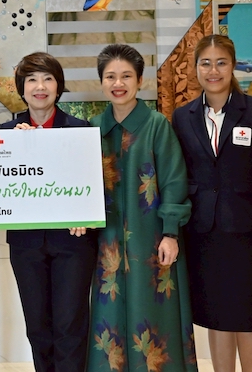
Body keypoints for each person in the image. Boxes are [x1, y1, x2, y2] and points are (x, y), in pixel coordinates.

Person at [172, 35, 252, 372]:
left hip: (249, 234)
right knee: (217, 318)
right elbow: (179, 175)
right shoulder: (183, 117)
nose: (213, 70)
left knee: (250, 317)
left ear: (232, 65)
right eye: (205, 63)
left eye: (221, 63)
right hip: (203, 234)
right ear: (195, 68)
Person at [87, 44, 197, 372]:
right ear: (101, 82)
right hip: (104, 244)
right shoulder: (92, 128)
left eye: (126, 76)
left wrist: (170, 234)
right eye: (110, 76)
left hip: (152, 241)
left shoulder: (157, 125)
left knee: (154, 319)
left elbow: (174, 181)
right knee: (107, 317)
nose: (118, 83)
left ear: (140, 80)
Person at [0, 52, 98, 372]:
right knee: (38, 328)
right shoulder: (5, 134)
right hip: (26, 244)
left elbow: (93, 184)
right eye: (31, 80)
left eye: (48, 79)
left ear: (58, 86)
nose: (40, 87)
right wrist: (15, 150)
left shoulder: (80, 129)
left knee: (71, 326)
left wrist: (85, 214)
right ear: (21, 88)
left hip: (73, 243)